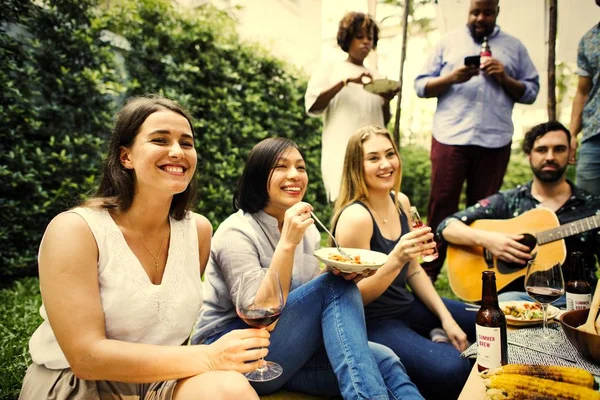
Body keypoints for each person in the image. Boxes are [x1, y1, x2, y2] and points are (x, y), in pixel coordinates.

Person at [20, 95, 271, 400]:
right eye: (160, 140)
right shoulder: (76, 230)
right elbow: (85, 358)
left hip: (159, 381)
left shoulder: (198, 231)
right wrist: (210, 357)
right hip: (80, 384)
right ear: (126, 157)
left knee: (230, 389)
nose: (177, 152)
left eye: (187, 143)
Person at [191, 137, 423, 400]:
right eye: (281, 167)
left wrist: (338, 271)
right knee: (333, 286)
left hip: (283, 349)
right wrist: (288, 243)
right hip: (234, 356)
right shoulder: (236, 232)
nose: (295, 175)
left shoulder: (308, 229)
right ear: (258, 176)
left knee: (385, 359)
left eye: (301, 168)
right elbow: (256, 311)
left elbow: (309, 297)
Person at [331, 125, 476, 400]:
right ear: (356, 166)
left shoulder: (400, 202)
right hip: (374, 321)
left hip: (406, 305)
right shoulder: (355, 218)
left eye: (390, 154)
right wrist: (395, 258)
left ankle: (434, 332)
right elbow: (353, 297)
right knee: (453, 368)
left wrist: (447, 319)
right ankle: (431, 346)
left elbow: (414, 270)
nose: (386, 164)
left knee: (489, 320)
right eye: (373, 158)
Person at [414, 0, 540, 282]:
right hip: (451, 138)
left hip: (494, 142)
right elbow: (421, 85)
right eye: (475, 12)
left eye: (487, 12)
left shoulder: (514, 47)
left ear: (497, 11)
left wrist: (505, 77)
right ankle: (427, 275)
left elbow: (531, 91)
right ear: (468, 10)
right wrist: (452, 78)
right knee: (441, 206)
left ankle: (477, 279)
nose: (480, 17)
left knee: (483, 214)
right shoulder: (448, 42)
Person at [438, 121, 600, 307]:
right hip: (517, 300)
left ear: (571, 154)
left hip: (576, 302)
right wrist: (489, 241)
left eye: (559, 149)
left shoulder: (592, 208)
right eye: (541, 150)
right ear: (529, 155)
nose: (550, 156)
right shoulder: (510, 200)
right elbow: (446, 226)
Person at [305, 11, 398, 203]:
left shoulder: (377, 76)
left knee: (374, 205)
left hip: (373, 158)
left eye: (369, 38)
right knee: (345, 204)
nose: (365, 42)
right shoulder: (330, 68)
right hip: (341, 152)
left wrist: (386, 100)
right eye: (359, 37)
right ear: (347, 39)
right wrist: (345, 81)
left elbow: (383, 123)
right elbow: (313, 106)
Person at [569, 0, 600, 195]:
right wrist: (571, 134)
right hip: (594, 136)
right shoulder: (589, 39)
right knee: (586, 207)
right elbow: (582, 91)